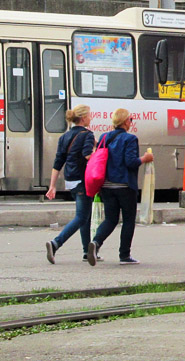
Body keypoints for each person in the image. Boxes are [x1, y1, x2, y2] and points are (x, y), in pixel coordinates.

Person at [87, 108, 153, 266]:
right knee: (129, 220)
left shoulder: (104, 137)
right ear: (125, 122)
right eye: (130, 119)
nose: (131, 122)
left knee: (110, 219)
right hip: (124, 185)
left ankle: (95, 243)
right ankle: (124, 255)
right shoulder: (130, 139)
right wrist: (145, 158)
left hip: (106, 185)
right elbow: (130, 162)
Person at [44, 105, 95, 264]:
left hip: (70, 180)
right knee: (81, 216)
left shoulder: (65, 137)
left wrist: (52, 186)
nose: (91, 118)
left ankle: (87, 252)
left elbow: (58, 162)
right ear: (84, 118)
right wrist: (101, 159)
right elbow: (87, 155)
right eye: (89, 115)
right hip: (82, 180)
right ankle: (56, 243)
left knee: (85, 216)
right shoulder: (87, 135)